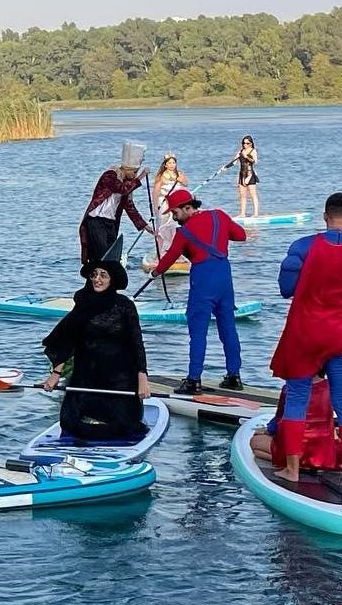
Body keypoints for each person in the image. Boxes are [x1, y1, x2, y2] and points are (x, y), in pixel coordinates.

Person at [269, 192, 342, 491]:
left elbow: (285, 289)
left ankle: (291, 471)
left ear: (325, 216)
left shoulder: (302, 246)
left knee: (296, 398)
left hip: (304, 334)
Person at [152, 188, 247, 393]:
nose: (175, 218)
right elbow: (241, 235)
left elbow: (169, 259)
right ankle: (234, 376)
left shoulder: (184, 232)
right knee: (228, 328)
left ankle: (194, 380)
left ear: (188, 207)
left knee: (198, 331)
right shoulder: (219, 215)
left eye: (176, 213)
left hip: (203, 280)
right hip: (224, 277)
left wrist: (155, 272)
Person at [42, 259, 150, 440]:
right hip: (86, 375)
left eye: (103, 275)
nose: (97, 279)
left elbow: (136, 343)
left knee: (124, 427)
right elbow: (67, 339)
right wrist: (56, 374)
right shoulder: (83, 304)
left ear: (112, 279)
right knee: (70, 423)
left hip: (118, 377)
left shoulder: (124, 305)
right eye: (94, 275)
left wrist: (142, 377)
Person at [79, 142, 155, 263]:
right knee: (101, 254)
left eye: (136, 172)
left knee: (111, 254)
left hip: (110, 223)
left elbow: (130, 207)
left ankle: (111, 276)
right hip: (96, 220)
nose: (134, 175)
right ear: (127, 169)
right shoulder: (110, 176)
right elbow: (121, 188)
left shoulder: (127, 183)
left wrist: (145, 226)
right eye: (134, 172)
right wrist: (139, 177)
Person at [151, 153, 187, 258]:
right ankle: (160, 254)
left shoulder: (179, 174)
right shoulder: (161, 177)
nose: (172, 165)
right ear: (165, 165)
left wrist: (181, 180)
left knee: (176, 228)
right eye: (169, 163)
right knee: (163, 229)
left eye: (173, 162)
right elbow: (155, 193)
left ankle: (177, 252)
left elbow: (186, 183)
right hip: (164, 205)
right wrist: (155, 208)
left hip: (178, 206)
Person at [226, 136, 260, 218]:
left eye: (247, 143)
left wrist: (246, 156)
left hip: (250, 175)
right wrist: (226, 167)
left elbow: (254, 161)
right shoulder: (240, 151)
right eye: (244, 143)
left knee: (253, 194)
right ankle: (242, 213)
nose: (245, 145)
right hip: (241, 175)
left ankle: (255, 213)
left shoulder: (253, 151)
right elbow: (234, 162)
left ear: (251, 144)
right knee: (242, 195)